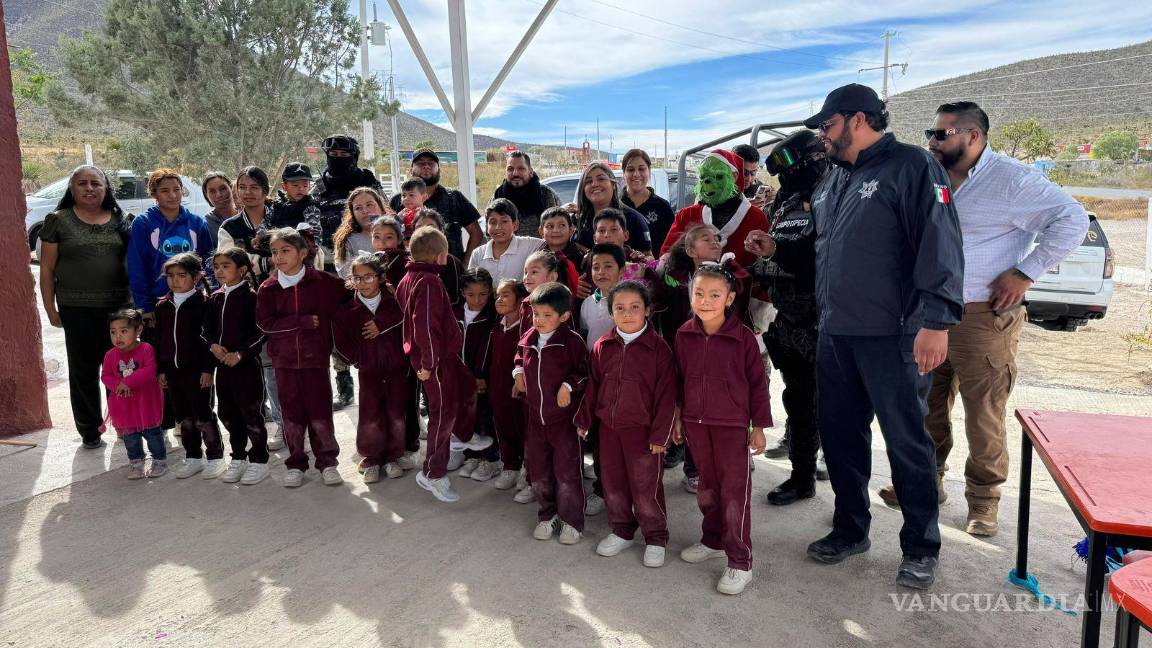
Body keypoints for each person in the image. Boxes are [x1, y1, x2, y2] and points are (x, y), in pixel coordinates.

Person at [874, 101, 1088, 538]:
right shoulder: (929, 174)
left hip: (981, 317)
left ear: (973, 136)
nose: (932, 142)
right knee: (926, 405)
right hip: (926, 312)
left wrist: (1026, 272)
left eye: (941, 134)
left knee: (982, 413)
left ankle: (984, 501)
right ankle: (926, 483)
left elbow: (1072, 219)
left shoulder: (1011, 181)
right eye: (931, 134)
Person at [801, 83, 964, 589]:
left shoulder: (912, 166)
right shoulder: (832, 179)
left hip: (893, 335)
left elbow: (940, 243)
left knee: (905, 443)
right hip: (836, 331)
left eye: (827, 126)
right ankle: (851, 529)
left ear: (856, 120)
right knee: (842, 438)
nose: (822, 137)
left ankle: (920, 547)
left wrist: (935, 323)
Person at [673, 264, 770, 596]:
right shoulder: (684, 333)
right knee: (707, 488)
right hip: (696, 425)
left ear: (729, 299)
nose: (705, 301)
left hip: (732, 427)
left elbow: (759, 384)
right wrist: (677, 418)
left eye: (715, 295)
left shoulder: (743, 337)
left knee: (734, 494)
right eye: (698, 293)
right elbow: (679, 381)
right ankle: (713, 539)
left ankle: (740, 561)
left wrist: (758, 426)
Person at [744, 129, 829, 505]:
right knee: (797, 399)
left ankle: (830, 482)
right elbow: (779, 254)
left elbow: (819, 259)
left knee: (827, 404)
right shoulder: (786, 200)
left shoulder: (830, 194)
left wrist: (776, 250)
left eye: (786, 165)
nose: (781, 175)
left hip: (820, 320)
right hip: (787, 319)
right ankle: (802, 475)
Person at [576, 281, 676, 568]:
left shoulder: (659, 349)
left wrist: (661, 434)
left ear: (647, 310)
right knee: (612, 483)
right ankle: (622, 530)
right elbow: (593, 388)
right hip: (608, 430)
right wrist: (584, 419)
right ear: (611, 312)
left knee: (645, 487)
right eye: (619, 308)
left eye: (635, 307)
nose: (627, 313)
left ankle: (655, 536)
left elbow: (667, 396)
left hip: (644, 433)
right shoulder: (602, 346)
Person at [395, 226, 493, 502]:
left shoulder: (410, 277)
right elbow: (422, 326)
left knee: (466, 385)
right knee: (442, 412)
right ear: (441, 257)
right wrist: (427, 362)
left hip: (445, 357)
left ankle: (462, 434)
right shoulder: (428, 282)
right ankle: (432, 473)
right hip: (433, 360)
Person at [38, 165, 133, 449]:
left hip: (118, 310)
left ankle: (125, 424)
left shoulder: (122, 220)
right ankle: (90, 431)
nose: (89, 188)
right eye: (82, 183)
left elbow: (134, 264)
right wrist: (50, 309)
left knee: (120, 370)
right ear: (72, 189)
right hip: (75, 308)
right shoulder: (58, 221)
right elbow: (46, 271)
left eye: (96, 183)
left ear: (106, 189)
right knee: (83, 373)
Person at [652, 223, 751, 485]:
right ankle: (693, 468)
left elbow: (740, 294)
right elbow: (658, 298)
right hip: (684, 356)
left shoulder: (730, 274)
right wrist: (648, 270)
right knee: (688, 410)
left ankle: (723, 458)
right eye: (707, 239)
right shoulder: (675, 278)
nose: (716, 242)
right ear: (690, 249)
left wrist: (727, 271)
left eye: (718, 239)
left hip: (720, 359)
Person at [256, 227, 349, 488]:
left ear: (303, 253)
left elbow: (350, 298)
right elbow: (265, 325)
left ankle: (328, 463)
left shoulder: (325, 283)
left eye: (285, 250)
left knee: (320, 413)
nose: (279, 257)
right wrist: (301, 322)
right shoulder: (268, 288)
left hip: (315, 361)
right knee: (291, 416)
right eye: (274, 252)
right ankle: (296, 463)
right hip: (284, 363)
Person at [514, 282, 589, 545]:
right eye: (536, 314)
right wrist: (518, 373)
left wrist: (568, 385)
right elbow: (519, 358)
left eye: (547, 315)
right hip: (536, 420)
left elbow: (585, 373)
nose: (540, 320)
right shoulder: (529, 337)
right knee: (539, 471)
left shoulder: (571, 341)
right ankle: (547, 514)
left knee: (567, 472)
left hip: (563, 422)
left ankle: (571, 521)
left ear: (565, 315)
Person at [216, 166, 285, 448]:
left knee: (279, 364)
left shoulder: (281, 217)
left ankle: (287, 422)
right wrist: (269, 263)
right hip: (247, 302)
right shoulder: (229, 227)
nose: (247, 193)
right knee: (260, 363)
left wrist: (255, 262)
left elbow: (299, 252)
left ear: (265, 191)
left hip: (284, 298)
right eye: (242, 187)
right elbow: (230, 263)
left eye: (254, 187)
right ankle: (265, 422)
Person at [332, 253, 410, 484]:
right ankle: (372, 459)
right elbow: (340, 342)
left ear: (379, 277)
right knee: (370, 415)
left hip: (397, 368)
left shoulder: (395, 300)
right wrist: (359, 359)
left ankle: (394, 455)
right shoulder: (347, 310)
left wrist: (381, 325)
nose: (362, 282)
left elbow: (407, 317)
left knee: (397, 413)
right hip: (368, 371)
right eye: (357, 278)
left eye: (368, 277)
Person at [153, 253, 225, 480]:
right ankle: (193, 456)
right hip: (173, 372)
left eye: (181, 275)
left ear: (195, 277)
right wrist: (161, 369)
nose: (174, 280)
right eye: (170, 276)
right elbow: (160, 339)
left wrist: (208, 369)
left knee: (203, 414)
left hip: (197, 371)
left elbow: (210, 339)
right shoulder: (163, 306)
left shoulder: (205, 304)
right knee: (183, 416)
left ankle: (215, 457)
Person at [203, 248, 270, 485]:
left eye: (225, 266)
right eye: (216, 266)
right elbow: (206, 331)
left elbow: (261, 331)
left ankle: (260, 460)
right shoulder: (214, 298)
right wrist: (213, 346)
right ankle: (238, 457)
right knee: (228, 414)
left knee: (251, 414)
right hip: (223, 369)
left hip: (247, 367)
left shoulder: (252, 298)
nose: (219, 270)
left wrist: (240, 354)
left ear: (242, 270)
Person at [127, 168, 216, 316]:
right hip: (158, 302)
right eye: (165, 191)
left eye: (177, 189)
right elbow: (137, 267)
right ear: (154, 194)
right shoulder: (143, 223)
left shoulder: (196, 222)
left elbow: (209, 262)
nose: (173, 195)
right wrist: (145, 307)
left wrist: (212, 294)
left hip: (194, 300)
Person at [660, 150, 768, 268]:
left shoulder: (756, 218)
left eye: (719, 176)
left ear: (734, 176)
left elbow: (764, 262)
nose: (707, 183)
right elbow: (666, 258)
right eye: (703, 177)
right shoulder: (687, 215)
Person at [101, 308, 167, 479]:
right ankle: (136, 463)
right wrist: (117, 385)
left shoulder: (146, 349)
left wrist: (127, 382)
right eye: (113, 332)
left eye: (124, 331)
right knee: (130, 436)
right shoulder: (110, 355)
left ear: (138, 330)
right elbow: (105, 376)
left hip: (146, 401)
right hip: (124, 404)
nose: (118, 337)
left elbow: (150, 370)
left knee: (152, 433)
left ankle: (159, 461)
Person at [388, 149, 484, 261]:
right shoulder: (397, 200)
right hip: (410, 271)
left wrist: (466, 265)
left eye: (431, 163)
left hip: (449, 272)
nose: (426, 166)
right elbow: (387, 232)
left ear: (439, 169)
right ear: (411, 169)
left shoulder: (454, 197)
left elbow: (476, 233)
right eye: (420, 163)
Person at [454, 268, 501, 482]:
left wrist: (482, 376)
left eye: (483, 294)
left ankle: (490, 460)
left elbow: (490, 351)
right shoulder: (455, 313)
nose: (477, 299)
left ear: (490, 292)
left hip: (482, 380)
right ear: (463, 292)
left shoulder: (493, 316)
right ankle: (471, 455)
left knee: (485, 417)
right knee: (466, 417)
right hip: (459, 379)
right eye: (471, 294)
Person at [311, 135, 383, 269]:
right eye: (333, 154)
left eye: (343, 154)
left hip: (367, 262)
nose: (338, 158)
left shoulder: (367, 182)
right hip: (328, 264)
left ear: (354, 157)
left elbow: (385, 216)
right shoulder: (319, 188)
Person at [488, 279, 530, 493]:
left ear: (520, 300)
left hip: (518, 390)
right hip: (498, 390)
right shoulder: (497, 327)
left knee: (523, 428)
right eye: (498, 295)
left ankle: (527, 469)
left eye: (505, 295)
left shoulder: (525, 330)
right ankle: (510, 466)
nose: (499, 299)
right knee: (504, 427)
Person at [572, 162, 652, 253]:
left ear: (613, 185)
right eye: (588, 181)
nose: (594, 184)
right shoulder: (577, 220)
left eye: (601, 179)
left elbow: (648, 259)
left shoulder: (633, 219)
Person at [467, 198, 544, 284]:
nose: (498, 227)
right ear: (486, 227)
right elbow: (471, 285)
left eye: (504, 221)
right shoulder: (478, 254)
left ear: (515, 225)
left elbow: (551, 241)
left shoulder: (529, 245)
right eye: (493, 222)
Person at [492, 151, 560, 235]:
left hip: (539, 247)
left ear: (530, 172)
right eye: (510, 169)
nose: (515, 173)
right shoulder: (498, 196)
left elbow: (557, 231)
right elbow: (490, 231)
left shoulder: (546, 194)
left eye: (521, 168)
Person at [620, 149, 676, 252]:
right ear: (624, 173)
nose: (636, 174)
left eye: (641, 169)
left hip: (655, 267)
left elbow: (672, 245)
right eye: (630, 169)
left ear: (649, 171)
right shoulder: (615, 205)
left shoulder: (662, 207)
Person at [579, 244, 626, 351]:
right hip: (594, 364)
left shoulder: (629, 302)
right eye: (596, 267)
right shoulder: (587, 303)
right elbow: (584, 332)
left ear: (621, 271)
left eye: (608, 266)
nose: (601, 272)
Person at [333, 187, 387, 278]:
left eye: (369, 205)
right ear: (353, 214)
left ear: (380, 207)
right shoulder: (348, 240)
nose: (365, 211)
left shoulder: (397, 232)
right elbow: (345, 274)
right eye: (358, 208)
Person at [537, 205, 587, 294]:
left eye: (562, 225)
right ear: (541, 231)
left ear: (571, 229)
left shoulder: (582, 257)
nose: (556, 230)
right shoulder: (537, 258)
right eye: (550, 226)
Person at [201, 172, 238, 246]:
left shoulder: (247, 214)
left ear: (231, 188)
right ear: (206, 195)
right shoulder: (205, 224)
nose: (218, 195)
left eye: (223, 189)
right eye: (212, 191)